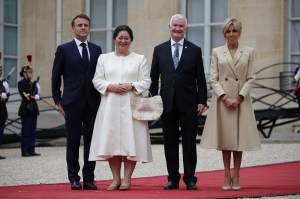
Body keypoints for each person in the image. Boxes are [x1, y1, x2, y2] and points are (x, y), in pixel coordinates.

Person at [200, 18, 261, 191]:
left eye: (234, 31)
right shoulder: (217, 52)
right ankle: (226, 173)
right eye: (228, 31)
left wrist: (240, 97)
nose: (231, 34)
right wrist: (225, 98)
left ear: (239, 32)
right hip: (223, 101)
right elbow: (213, 78)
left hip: (241, 100)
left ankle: (237, 173)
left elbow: (251, 78)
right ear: (224, 34)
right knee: (226, 139)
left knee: (238, 139)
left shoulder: (249, 52)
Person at [89, 25, 152, 191]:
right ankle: (115, 179)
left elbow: (146, 81)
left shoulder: (140, 59)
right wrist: (110, 86)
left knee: (131, 142)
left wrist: (131, 85)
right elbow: (97, 80)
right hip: (110, 105)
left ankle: (127, 179)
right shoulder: (104, 58)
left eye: (126, 38)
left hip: (131, 106)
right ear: (114, 39)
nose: (123, 41)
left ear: (131, 40)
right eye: (120, 37)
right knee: (112, 143)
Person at [149, 14, 207, 190]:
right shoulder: (159, 49)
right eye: (175, 25)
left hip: (189, 103)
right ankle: (173, 178)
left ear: (186, 29)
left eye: (181, 26)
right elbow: (153, 78)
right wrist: (154, 99)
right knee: (170, 142)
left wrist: (202, 100)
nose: (177, 28)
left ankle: (190, 178)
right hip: (166, 103)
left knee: (189, 142)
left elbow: (201, 79)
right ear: (169, 26)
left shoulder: (195, 50)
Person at [52, 14, 102, 190]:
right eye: (79, 25)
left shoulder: (97, 50)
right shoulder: (64, 49)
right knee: (73, 142)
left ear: (89, 28)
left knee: (91, 142)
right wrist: (57, 100)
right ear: (73, 28)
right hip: (71, 103)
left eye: (86, 25)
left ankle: (89, 178)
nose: (83, 28)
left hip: (93, 104)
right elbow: (56, 75)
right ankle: (74, 178)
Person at [18, 64, 41, 157]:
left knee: (32, 131)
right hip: (26, 109)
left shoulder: (33, 83)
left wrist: (38, 92)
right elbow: (25, 95)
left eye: (31, 72)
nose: (31, 73)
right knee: (26, 131)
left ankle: (32, 149)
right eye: (29, 72)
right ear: (24, 73)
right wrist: (33, 96)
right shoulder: (21, 83)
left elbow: (37, 95)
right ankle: (25, 151)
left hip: (33, 109)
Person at [0, 64, 10, 160]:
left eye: (1, 70)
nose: (0, 72)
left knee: (0, 133)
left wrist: (7, 92)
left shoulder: (2, 83)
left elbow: (6, 98)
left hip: (2, 111)